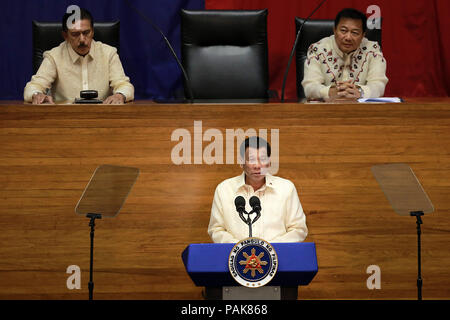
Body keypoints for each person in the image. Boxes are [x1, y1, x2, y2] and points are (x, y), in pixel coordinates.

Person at [207, 136, 308, 243]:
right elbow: (216, 229)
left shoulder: (286, 188)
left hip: (278, 257)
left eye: (263, 159)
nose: (257, 165)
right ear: (241, 161)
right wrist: (240, 248)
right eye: (251, 159)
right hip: (236, 257)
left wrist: (268, 249)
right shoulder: (224, 189)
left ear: (269, 162)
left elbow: (298, 229)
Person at [24, 8, 134, 104]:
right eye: (75, 34)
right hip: (65, 119)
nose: (82, 39)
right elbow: (33, 86)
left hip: (102, 117)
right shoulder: (54, 56)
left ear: (93, 32)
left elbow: (124, 85)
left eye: (86, 33)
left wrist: (120, 95)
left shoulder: (109, 53)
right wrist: (36, 94)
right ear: (65, 35)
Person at [302, 8, 388, 101]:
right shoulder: (317, 49)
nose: (348, 37)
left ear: (363, 35)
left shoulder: (373, 50)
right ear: (334, 30)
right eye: (343, 30)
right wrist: (329, 92)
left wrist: (360, 92)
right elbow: (310, 87)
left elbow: (378, 85)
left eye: (355, 33)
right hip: (325, 111)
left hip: (361, 111)